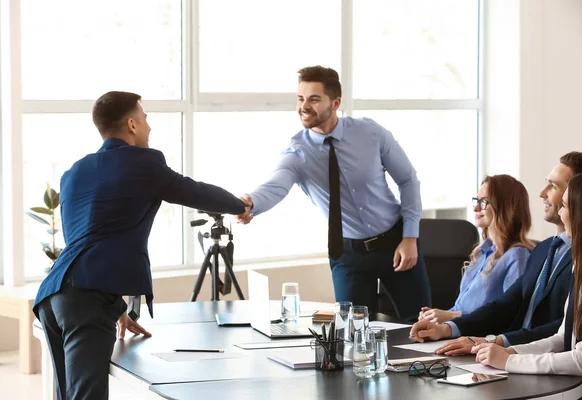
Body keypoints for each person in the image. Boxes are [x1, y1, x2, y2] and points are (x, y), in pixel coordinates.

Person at [32, 91, 246, 400]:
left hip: (54, 296)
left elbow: (82, 244)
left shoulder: (74, 172)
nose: (148, 127)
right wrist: (239, 206)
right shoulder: (143, 163)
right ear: (132, 124)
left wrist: (116, 308)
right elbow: (194, 192)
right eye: (145, 120)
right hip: (86, 301)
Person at [236, 65, 431, 321]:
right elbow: (276, 185)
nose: (304, 106)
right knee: (352, 333)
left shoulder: (370, 133)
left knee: (422, 325)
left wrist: (410, 237)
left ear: (335, 102)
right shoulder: (297, 152)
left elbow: (408, 180)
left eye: (314, 99)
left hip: (395, 242)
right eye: (300, 98)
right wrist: (250, 204)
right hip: (347, 253)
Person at [409, 152, 582, 355]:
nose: (542, 193)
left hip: (542, 358)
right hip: (510, 353)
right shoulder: (543, 250)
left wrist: (498, 343)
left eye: (553, 186)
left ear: (579, 197)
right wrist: (447, 329)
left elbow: (568, 328)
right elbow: (506, 305)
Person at [473, 171, 582, 399]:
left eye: (564, 206)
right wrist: (511, 351)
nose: (560, 214)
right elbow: (563, 338)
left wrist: (510, 360)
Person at [419, 174, 534, 324]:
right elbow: (463, 309)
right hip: (459, 331)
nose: (476, 208)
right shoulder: (481, 253)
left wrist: (451, 317)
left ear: (505, 207)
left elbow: (510, 316)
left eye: (484, 202)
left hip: (481, 341)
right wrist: (436, 317)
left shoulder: (518, 256)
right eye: (476, 201)